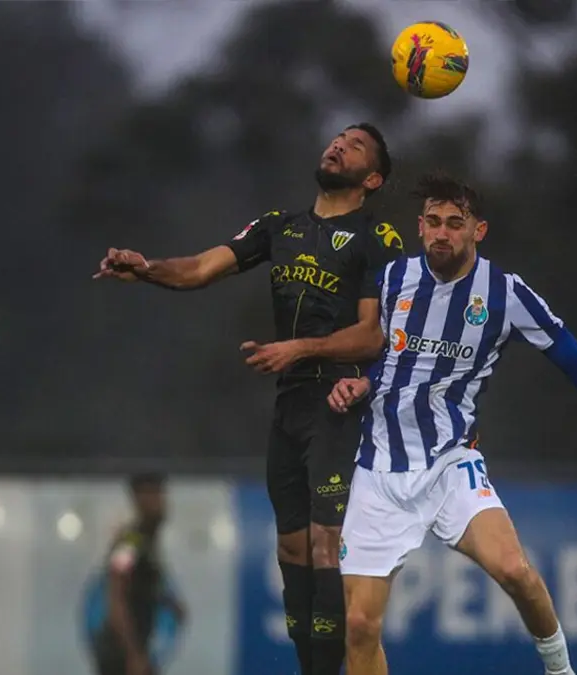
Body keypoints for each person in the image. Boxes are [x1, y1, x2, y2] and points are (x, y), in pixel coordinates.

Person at [94, 124, 405, 675]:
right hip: (290, 403)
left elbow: (373, 334)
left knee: (326, 543)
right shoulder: (278, 226)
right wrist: (146, 269)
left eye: (355, 145)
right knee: (291, 549)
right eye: (337, 138)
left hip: (339, 401)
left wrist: (299, 348)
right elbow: (199, 268)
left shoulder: (377, 237)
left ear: (373, 179)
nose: (337, 145)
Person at [326, 173, 577, 675]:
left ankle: (561, 671)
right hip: (379, 468)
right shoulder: (392, 279)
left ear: (478, 230)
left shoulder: (504, 292)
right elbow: (381, 354)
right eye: (433, 222)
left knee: (514, 570)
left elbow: (575, 361)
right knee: (360, 626)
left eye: (455, 223)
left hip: (451, 463)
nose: (442, 233)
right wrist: (358, 382)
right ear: (420, 226)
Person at [88, 474, 186, 675]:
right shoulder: (129, 542)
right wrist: (133, 654)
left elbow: (143, 587)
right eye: (155, 494)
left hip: (135, 650)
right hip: (120, 655)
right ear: (139, 498)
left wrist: (169, 603)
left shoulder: (146, 544)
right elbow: (116, 597)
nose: (162, 501)